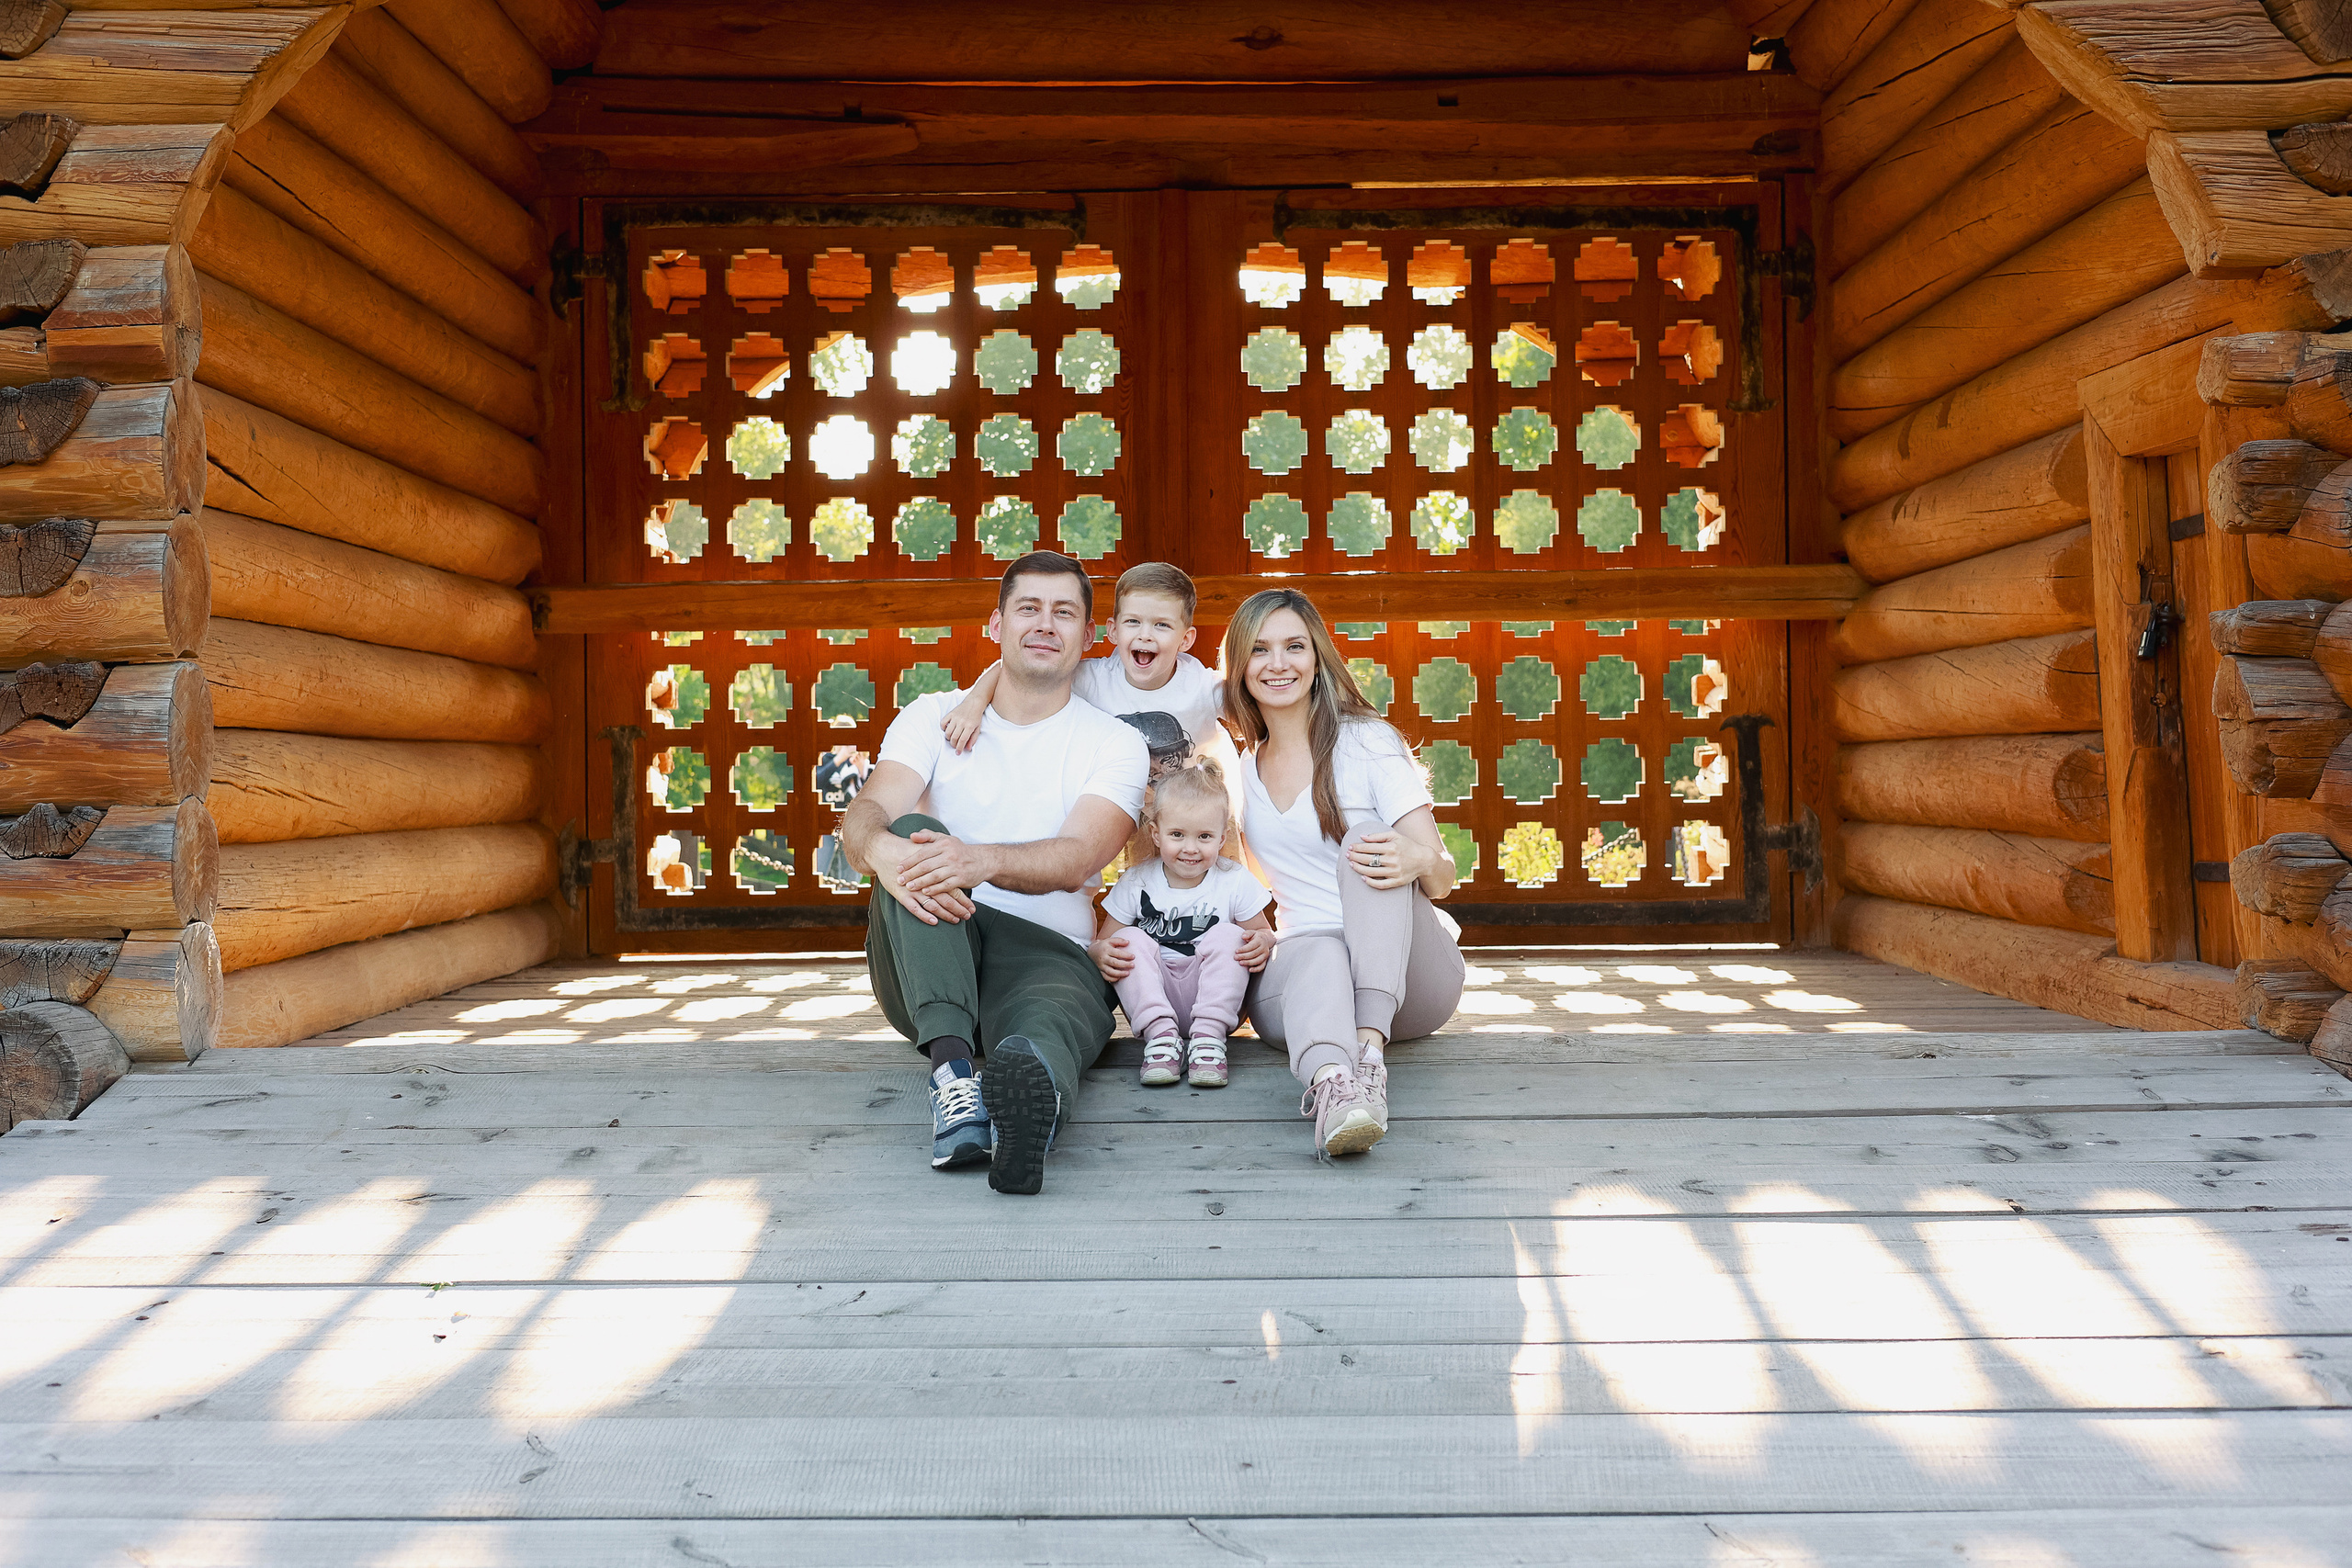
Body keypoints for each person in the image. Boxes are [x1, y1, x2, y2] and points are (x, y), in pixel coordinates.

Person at [842, 551, 1149, 1194]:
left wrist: (978, 859)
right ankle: (953, 1078)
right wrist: (879, 848)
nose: (1045, 623)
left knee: (1050, 1027)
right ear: (996, 624)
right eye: (1028, 608)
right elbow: (867, 811)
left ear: (1090, 638)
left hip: (1048, 956)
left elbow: (1079, 856)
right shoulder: (932, 715)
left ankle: (1025, 1120)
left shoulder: (1113, 742)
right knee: (903, 835)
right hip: (931, 949)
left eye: (1064, 612)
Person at [1225, 587, 1466, 1159]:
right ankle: (1336, 1089)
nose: (1277, 663)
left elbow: (1443, 878)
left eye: (1294, 646)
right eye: (1259, 650)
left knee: (1365, 842)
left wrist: (1419, 859)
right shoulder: (1242, 768)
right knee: (1312, 946)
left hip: (1407, 985)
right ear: (1240, 666)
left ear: (1318, 657)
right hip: (1313, 987)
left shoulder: (1367, 742)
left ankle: (1367, 1059)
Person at [944, 561, 1227, 780]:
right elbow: (1014, 671)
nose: (1145, 636)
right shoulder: (1095, 679)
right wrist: (974, 702)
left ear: (1186, 639)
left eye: (1161, 625)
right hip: (1121, 820)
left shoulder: (1204, 687)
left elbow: (1257, 706)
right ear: (1113, 631)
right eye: (1133, 622)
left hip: (1195, 824)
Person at [1089, 759, 1274, 1089]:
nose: (1191, 848)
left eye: (1204, 836)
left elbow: (1262, 932)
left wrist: (1263, 942)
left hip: (1217, 999)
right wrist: (1100, 953)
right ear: (1156, 834)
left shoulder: (1234, 881)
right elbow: (1104, 942)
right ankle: (1161, 1041)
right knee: (1128, 938)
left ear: (1222, 838)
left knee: (1232, 935)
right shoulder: (1137, 881)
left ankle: (1208, 1043)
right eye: (1177, 834)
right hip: (1153, 999)